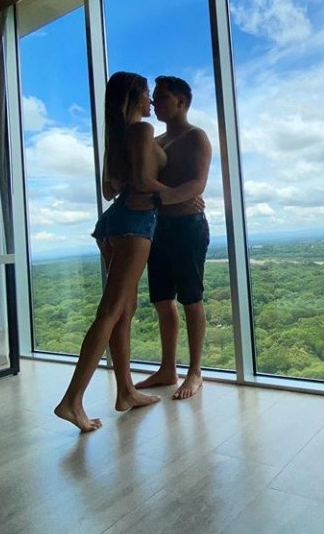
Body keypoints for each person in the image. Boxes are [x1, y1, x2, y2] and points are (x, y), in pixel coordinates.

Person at [54, 71, 188, 432]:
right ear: (134, 97)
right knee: (111, 311)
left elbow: (108, 190)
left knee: (123, 311)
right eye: (146, 94)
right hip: (135, 224)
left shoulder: (116, 136)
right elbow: (143, 183)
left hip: (113, 223)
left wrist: (139, 186)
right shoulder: (142, 130)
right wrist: (181, 193)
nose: (151, 101)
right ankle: (71, 401)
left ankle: (126, 391)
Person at [133, 76, 212, 399]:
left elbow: (197, 184)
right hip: (159, 228)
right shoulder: (157, 140)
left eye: (161, 97)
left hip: (188, 227)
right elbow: (148, 181)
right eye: (153, 97)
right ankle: (168, 368)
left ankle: (195, 372)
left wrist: (160, 198)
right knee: (162, 299)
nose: (154, 102)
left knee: (191, 298)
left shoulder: (196, 137)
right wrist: (166, 199)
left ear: (181, 101)